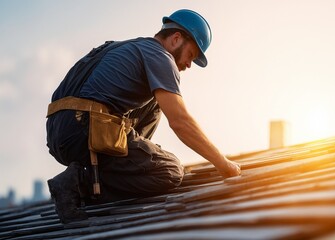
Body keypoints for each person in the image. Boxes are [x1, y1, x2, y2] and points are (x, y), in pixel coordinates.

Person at [46, 9, 241, 224]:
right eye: (191, 56)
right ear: (176, 39)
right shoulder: (160, 57)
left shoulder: (126, 47)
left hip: (60, 131)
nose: (188, 65)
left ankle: (128, 165)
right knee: (170, 171)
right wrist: (223, 164)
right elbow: (180, 122)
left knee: (155, 103)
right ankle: (81, 183)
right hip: (84, 129)